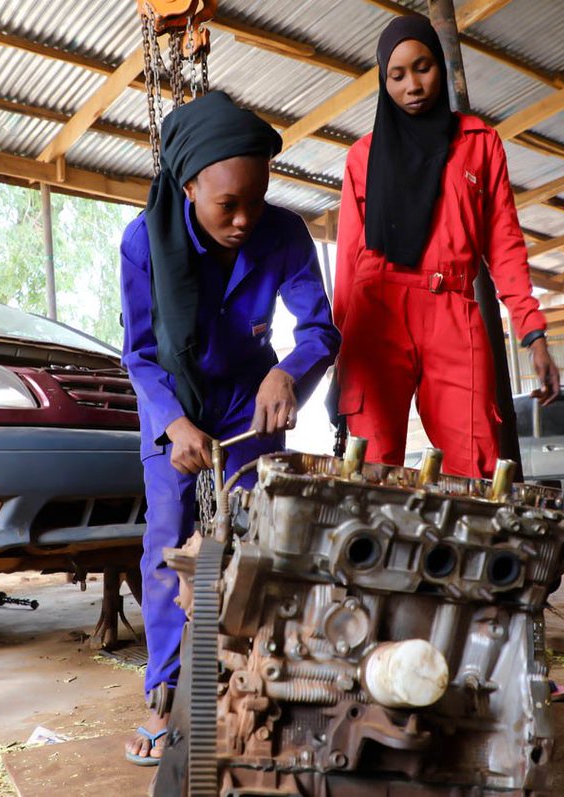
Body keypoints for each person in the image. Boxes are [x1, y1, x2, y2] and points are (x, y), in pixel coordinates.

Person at [118, 91, 339, 764]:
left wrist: (292, 373)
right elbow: (140, 353)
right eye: (227, 206)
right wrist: (175, 423)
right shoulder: (142, 242)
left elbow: (320, 328)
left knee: (257, 538)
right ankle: (165, 693)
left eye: (257, 200)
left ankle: (260, 680)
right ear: (188, 187)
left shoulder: (285, 232)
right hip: (175, 406)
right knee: (169, 544)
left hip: (249, 400)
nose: (245, 220)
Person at [333, 14, 559, 477]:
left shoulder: (479, 143)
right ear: (383, 80)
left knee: (474, 464)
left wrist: (532, 331)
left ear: (439, 64)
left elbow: (505, 245)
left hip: (454, 310)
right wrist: (340, 355)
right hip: (376, 311)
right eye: (396, 76)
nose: (412, 85)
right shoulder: (363, 157)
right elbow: (347, 262)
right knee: (371, 464)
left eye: (422, 67)